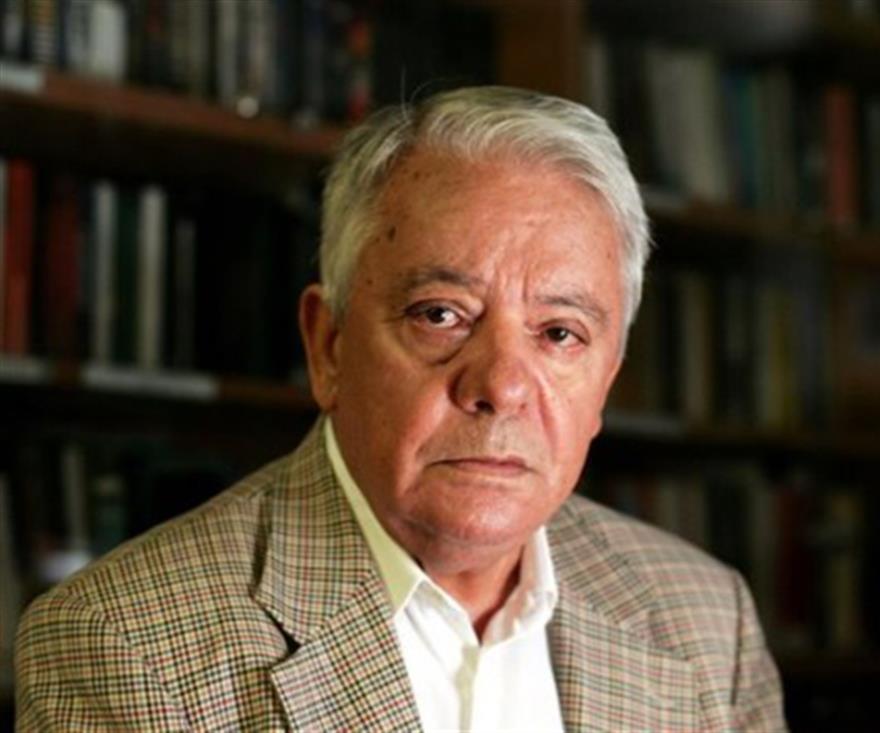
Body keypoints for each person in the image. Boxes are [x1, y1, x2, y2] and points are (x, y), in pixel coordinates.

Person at [15, 86, 785, 731]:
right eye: (440, 315)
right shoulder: (125, 645)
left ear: (606, 381)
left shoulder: (707, 621)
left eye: (559, 332)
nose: (501, 385)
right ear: (328, 346)